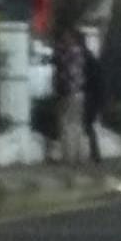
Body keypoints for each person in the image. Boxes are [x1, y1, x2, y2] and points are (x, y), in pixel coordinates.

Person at [53, 28, 88, 164]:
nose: (65, 41)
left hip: (69, 93)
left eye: (67, 38)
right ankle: (80, 155)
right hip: (79, 93)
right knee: (77, 125)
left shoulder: (69, 55)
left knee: (66, 125)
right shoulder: (80, 54)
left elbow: (63, 70)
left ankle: (69, 156)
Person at [79, 31, 103, 164]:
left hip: (90, 97)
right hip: (93, 96)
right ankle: (94, 154)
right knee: (88, 126)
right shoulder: (90, 57)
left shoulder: (86, 58)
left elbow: (90, 79)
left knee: (87, 125)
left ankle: (94, 154)